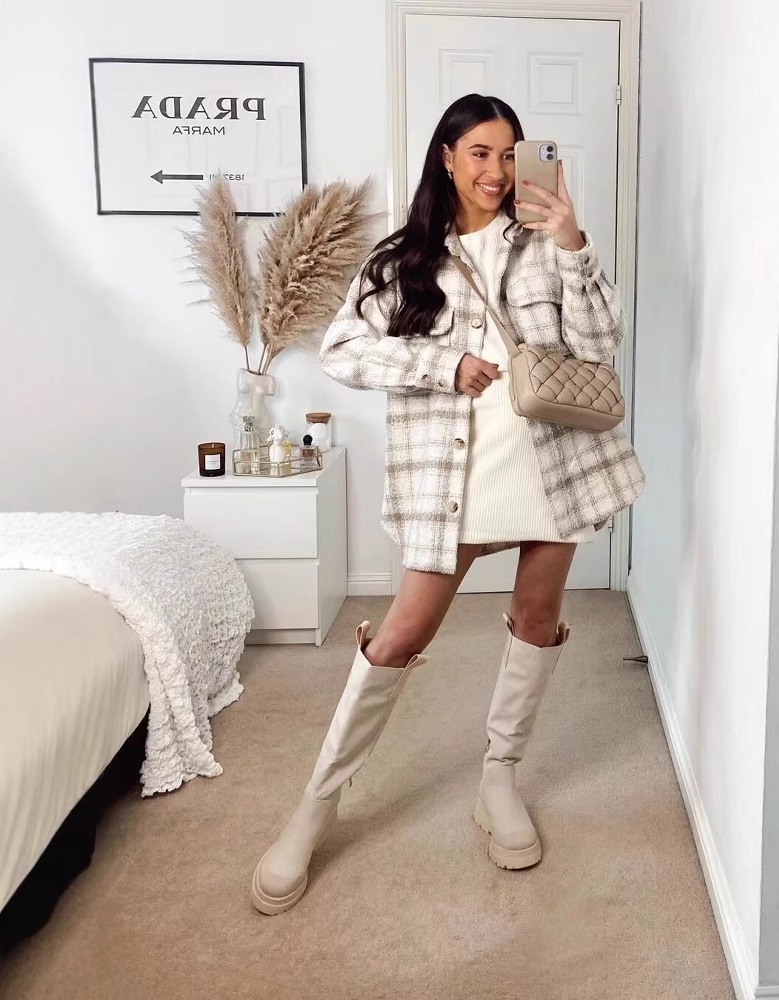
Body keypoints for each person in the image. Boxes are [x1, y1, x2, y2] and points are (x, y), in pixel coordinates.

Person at [250, 94, 645, 915]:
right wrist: (441, 365)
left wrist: (573, 242)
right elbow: (342, 351)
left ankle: (499, 778)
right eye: (479, 153)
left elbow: (601, 343)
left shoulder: (547, 244)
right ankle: (316, 805)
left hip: (550, 464)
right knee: (401, 635)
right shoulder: (403, 258)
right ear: (447, 157)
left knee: (537, 618)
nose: (496, 172)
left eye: (508, 154)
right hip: (450, 476)